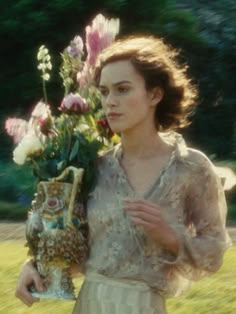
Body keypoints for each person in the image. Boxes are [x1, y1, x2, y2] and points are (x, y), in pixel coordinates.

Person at [15, 36, 232, 314]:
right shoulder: (94, 167)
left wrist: (170, 236)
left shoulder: (190, 168)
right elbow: (75, 249)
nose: (110, 102)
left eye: (122, 89)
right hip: (90, 304)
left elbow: (213, 252)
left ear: (155, 94)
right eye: (104, 91)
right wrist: (32, 266)